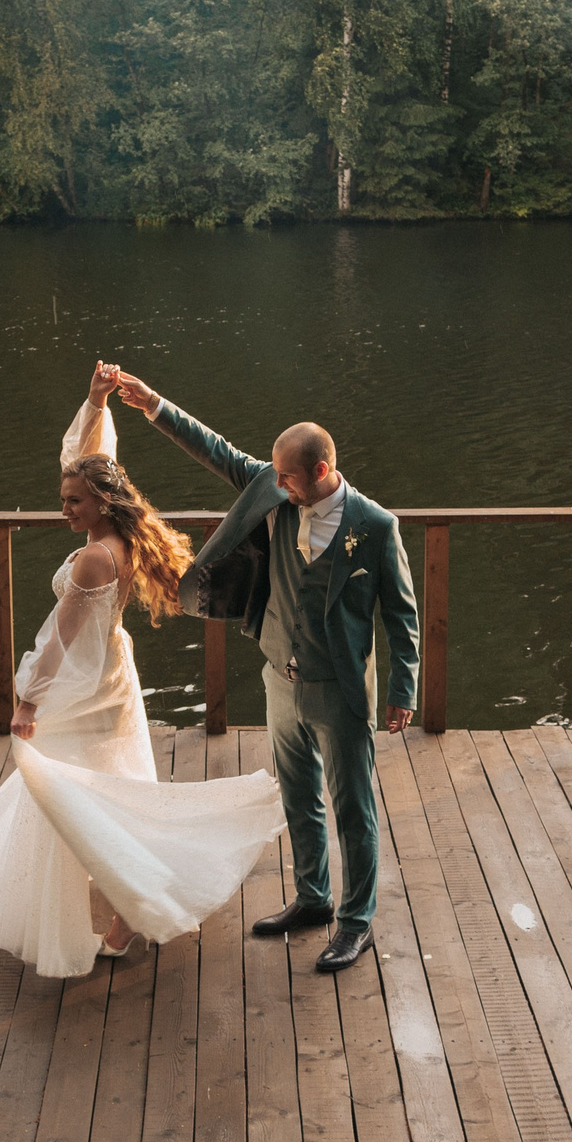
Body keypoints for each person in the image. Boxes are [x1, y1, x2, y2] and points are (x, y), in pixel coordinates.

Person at [0, 364, 286, 978]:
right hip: (109, 678)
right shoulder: (122, 540)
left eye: (74, 501)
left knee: (69, 792)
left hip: (84, 685)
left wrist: (27, 702)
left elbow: (58, 638)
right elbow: (89, 457)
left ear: (101, 502)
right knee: (101, 790)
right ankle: (124, 900)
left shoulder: (94, 560)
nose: (64, 508)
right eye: (63, 499)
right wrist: (97, 402)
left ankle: (127, 912)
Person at [106, 369, 418, 973]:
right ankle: (312, 898)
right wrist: (153, 406)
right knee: (299, 796)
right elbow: (216, 450)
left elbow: (403, 617)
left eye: (287, 477)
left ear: (321, 472)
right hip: (281, 677)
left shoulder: (376, 528)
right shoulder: (273, 491)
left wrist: (403, 690)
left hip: (342, 689)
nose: (276, 485)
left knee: (353, 809)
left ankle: (356, 923)